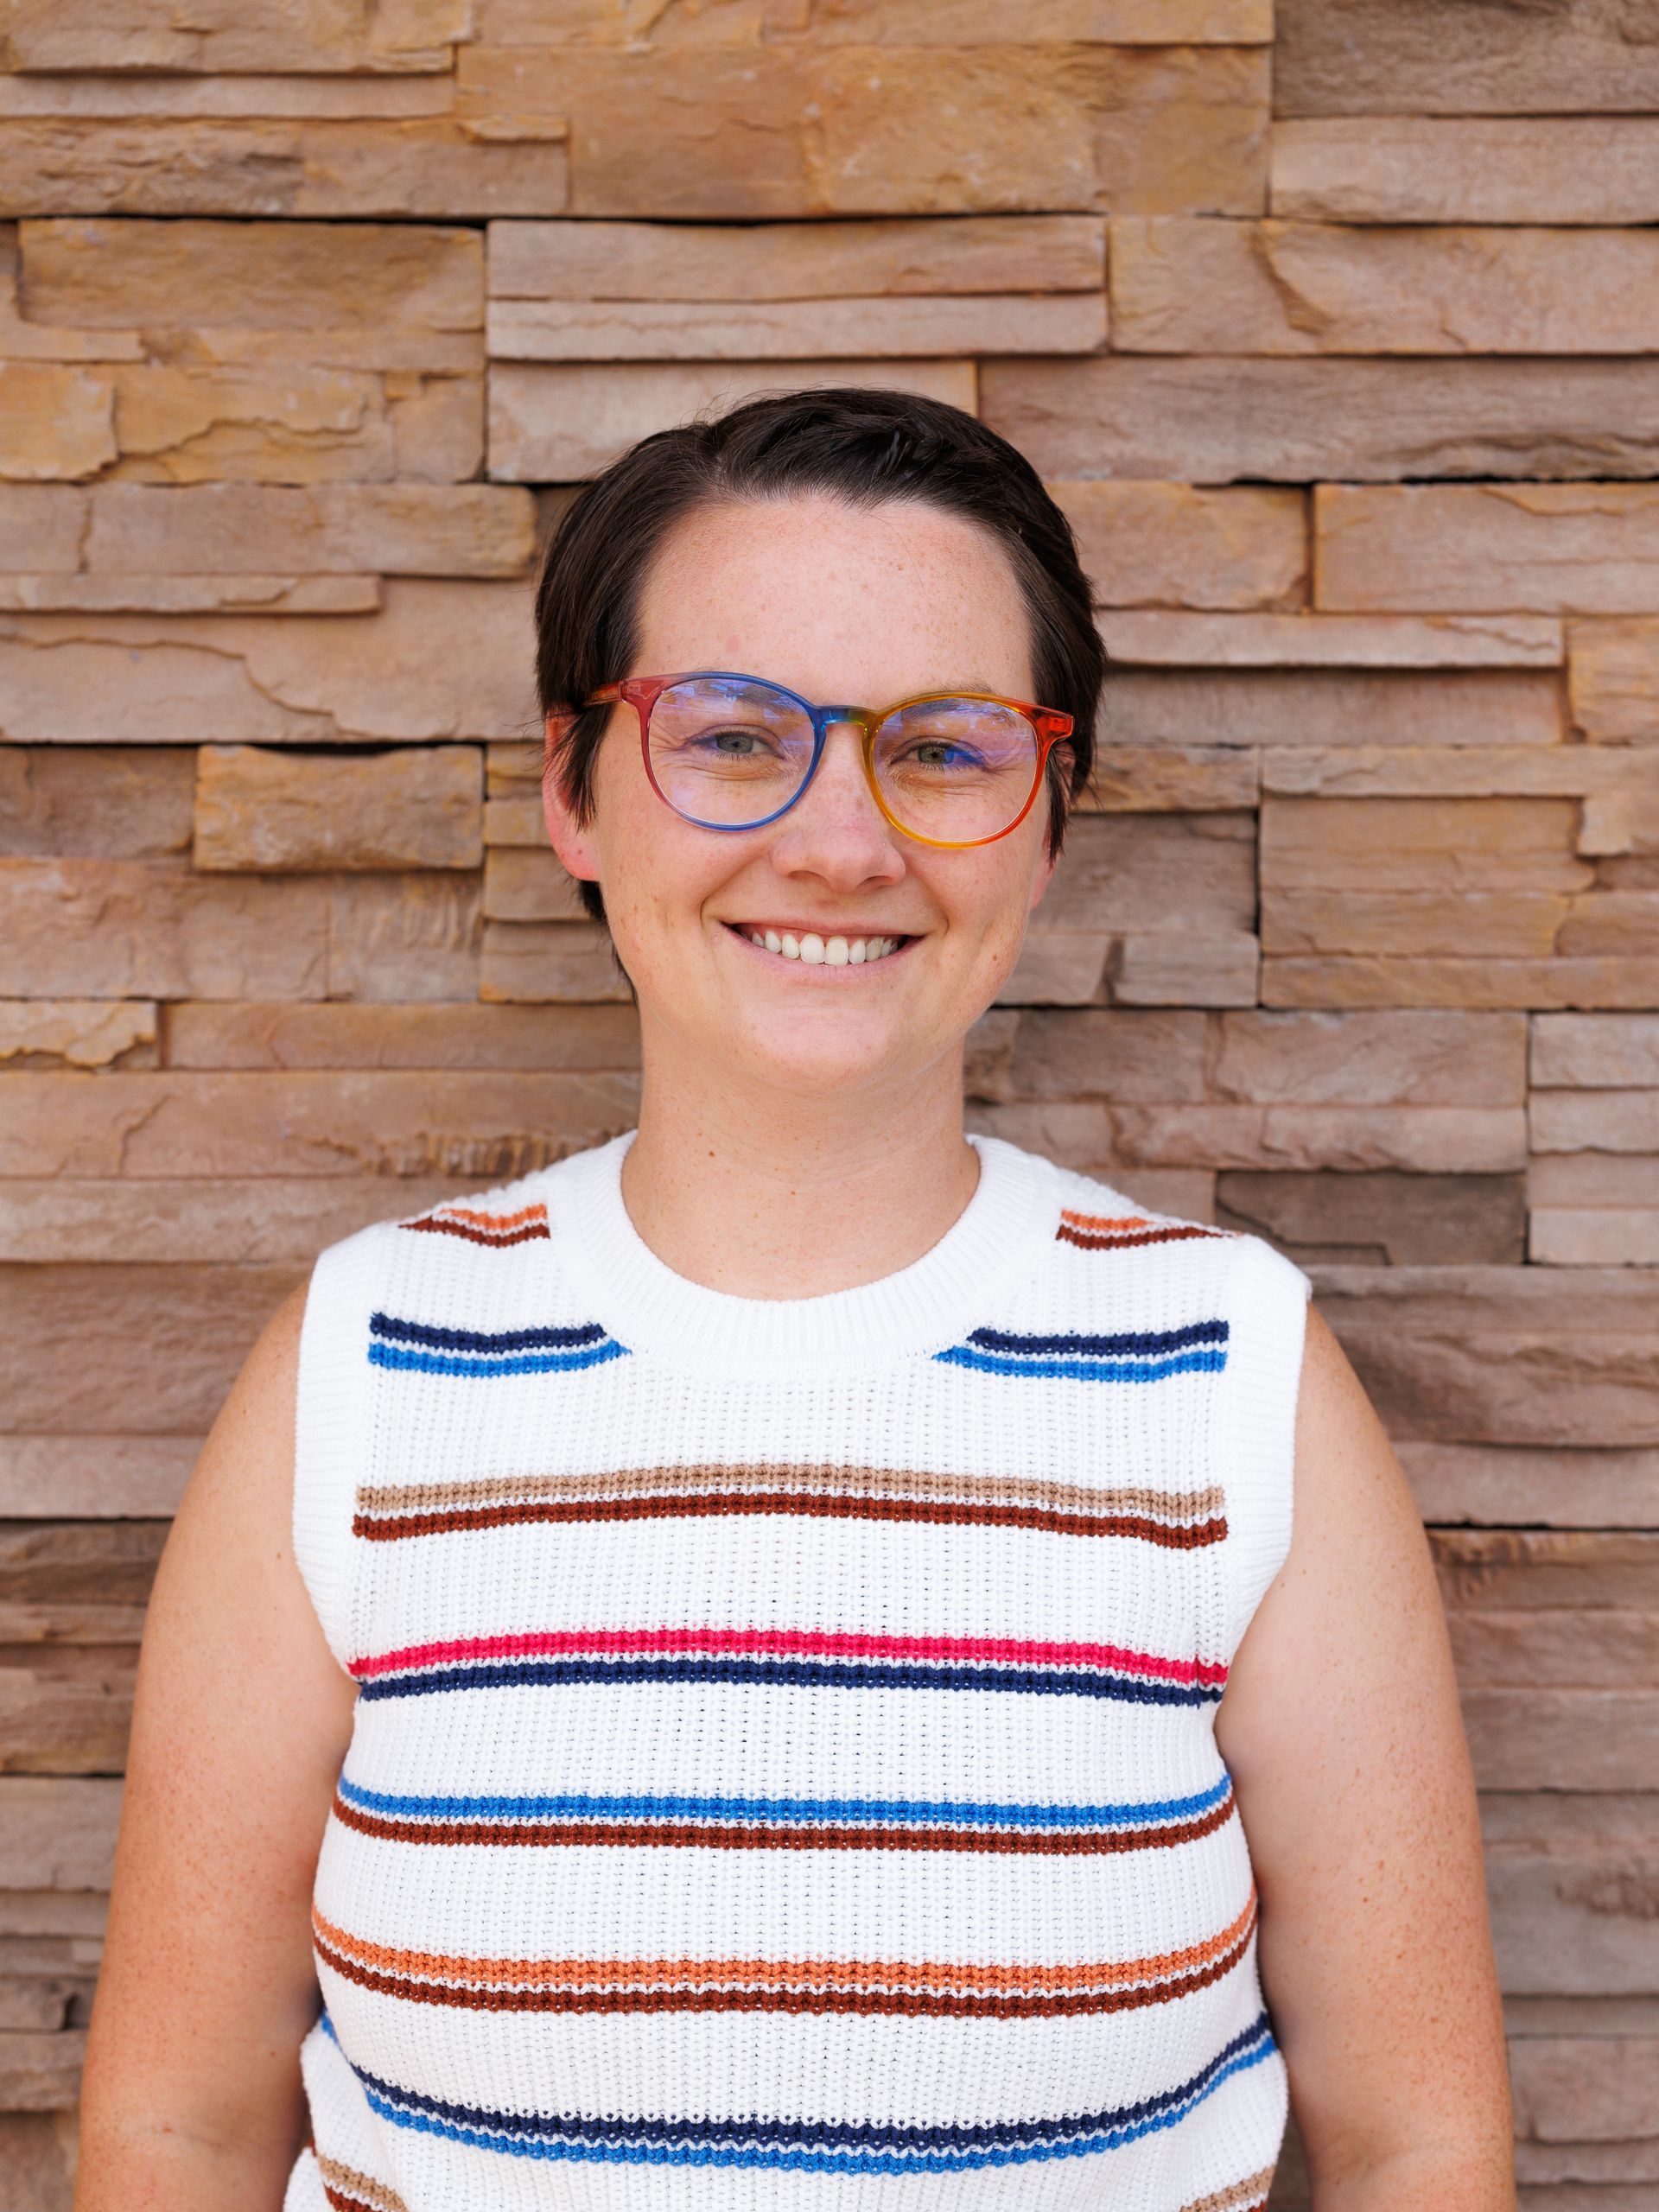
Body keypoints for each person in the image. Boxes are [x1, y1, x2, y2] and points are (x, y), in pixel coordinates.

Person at [74, 388, 1515, 2212]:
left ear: (1045, 825)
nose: (842, 841)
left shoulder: (1237, 1381)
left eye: (948, 745)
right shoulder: (360, 1368)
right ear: (572, 793)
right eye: (737, 736)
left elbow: (1419, 2142)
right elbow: (177, 2130)